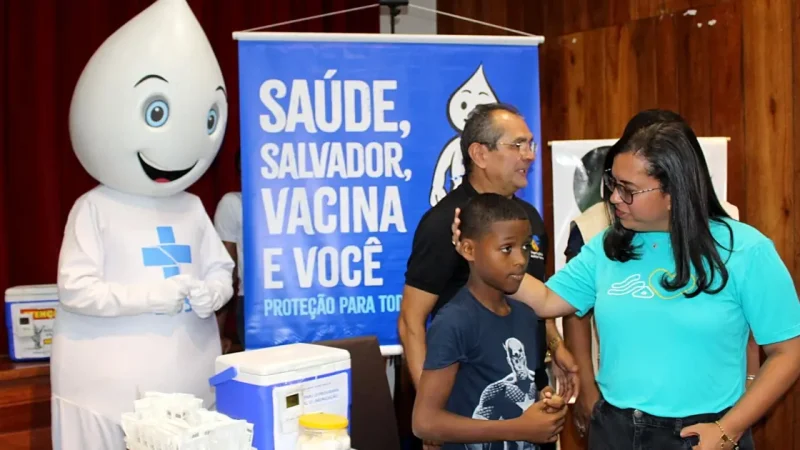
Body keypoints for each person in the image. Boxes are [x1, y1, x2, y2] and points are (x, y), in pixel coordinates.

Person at [452, 117, 800, 449]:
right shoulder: (608, 246)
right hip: (616, 432)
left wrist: (729, 429)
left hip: (701, 434)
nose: (615, 198)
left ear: (673, 192)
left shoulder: (744, 249)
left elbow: (788, 353)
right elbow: (545, 300)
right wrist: (482, 254)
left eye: (628, 190)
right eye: (613, 184)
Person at [51, 1, 234, 448]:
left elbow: (221, 268)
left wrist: (215, 290)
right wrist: (151, 297)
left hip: (191, 389)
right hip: (104, 392)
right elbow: (76, 289)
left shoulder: (191, 207)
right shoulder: (94, 208)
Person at [561, 110, 761, 440]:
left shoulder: (735, 237)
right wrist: (588, 388)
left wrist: (747, 394)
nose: (617, 198)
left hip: (710, 417)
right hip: (621, 413)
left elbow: (752, 325)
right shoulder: (596, 230)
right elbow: (566, 305)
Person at [400, 103, 578, 448]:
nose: (529, 156)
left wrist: (555, 346)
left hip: (528, 397)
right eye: (517, 146)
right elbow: (411, 320)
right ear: (480, 154)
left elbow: (530, 295)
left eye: (531, 145)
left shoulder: (527, 217)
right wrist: (434, 410)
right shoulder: (445, 224)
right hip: (468, 404)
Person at [412, 193, 568, 449]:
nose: (520, 260)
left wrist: (543, 403)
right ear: (468, 249)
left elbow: (521, 389)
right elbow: (425, 422)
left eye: (526, 246)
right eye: (507, 249)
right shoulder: (455, 321)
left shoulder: (526, 316)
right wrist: (519, 428)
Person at [214, 148, 245, 349]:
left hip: (305, 304)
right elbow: (226, 272)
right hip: (254, 304)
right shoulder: (233, 203)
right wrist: (217, 334)